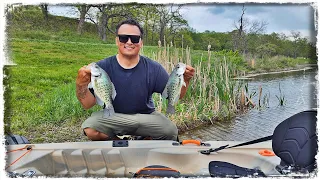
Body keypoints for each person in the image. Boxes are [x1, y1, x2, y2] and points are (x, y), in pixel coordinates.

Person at [76, 19, 195, 141]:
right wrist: (81, 84)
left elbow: (176, 96)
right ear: (117, 41)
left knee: (171, 132)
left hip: (146, 117)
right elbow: (87, 104)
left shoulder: (154, 68)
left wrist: (186, 79)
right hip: (114, 116)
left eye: (134, 38)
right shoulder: (101, 68)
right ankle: (122, 144)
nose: (129, 42)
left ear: (141, 42)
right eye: (123, 38)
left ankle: (143, 141)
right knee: (90, 129)